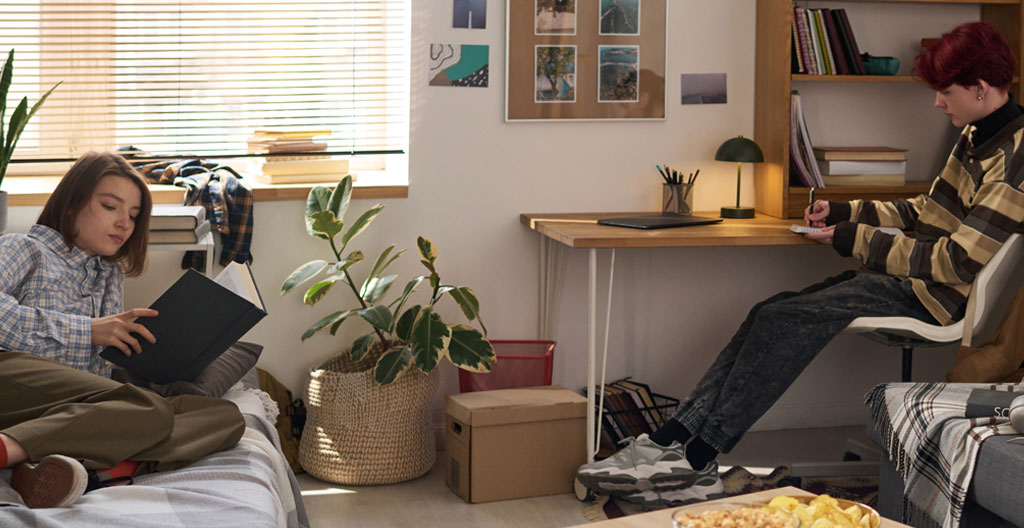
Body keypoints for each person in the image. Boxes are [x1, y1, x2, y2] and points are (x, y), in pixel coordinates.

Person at [576, 21, 1024, 508]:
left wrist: (855, 239)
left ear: (981, 90)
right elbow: (924, 212)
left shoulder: (1015, 160)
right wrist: (845, 212)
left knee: (781, 319)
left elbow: (956, 261)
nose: (938, 103)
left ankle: (698, 455)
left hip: (933, 297)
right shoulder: (976, 134)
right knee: (769, 311)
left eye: (946, 92)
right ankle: (673, 440)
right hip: (909, 278)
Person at [0, 152, 244, 509]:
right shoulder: (23, 249)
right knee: (148, 410)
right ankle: (23, 453)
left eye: (132, 215)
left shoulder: (108, 276)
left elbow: (97, 374)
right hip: (13, 380)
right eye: (111, 206)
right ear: (71, 204)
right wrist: (88, 331)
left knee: (220, 416)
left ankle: (62, 470)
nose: (124, 223)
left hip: (70, 410)